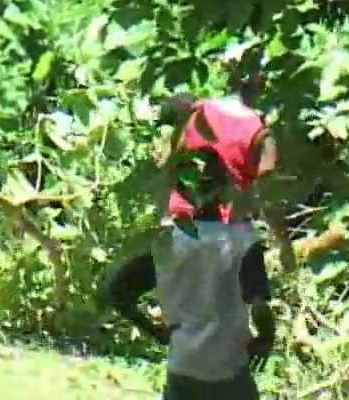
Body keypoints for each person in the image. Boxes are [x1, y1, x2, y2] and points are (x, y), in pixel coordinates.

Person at [108, 92, 277, 399]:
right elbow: (260, 307)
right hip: (230, 371)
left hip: (183, 370)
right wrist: (265, 338)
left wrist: (156, 331)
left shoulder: (167, 245)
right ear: (225, 189)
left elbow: (118, 292)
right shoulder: (243, 243)